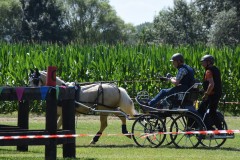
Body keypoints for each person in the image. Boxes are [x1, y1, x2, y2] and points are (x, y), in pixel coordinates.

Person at [197, 54, 223, 130]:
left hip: (211, 95)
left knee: (203, 111)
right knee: (210, 111)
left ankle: (212, 128)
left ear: (209, 62)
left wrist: (206, 94)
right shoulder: (216, 69)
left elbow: (211, 84)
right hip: (216, 94)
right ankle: (215, 128)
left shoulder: (208, 71)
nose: (202, 63)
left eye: (203, 62)